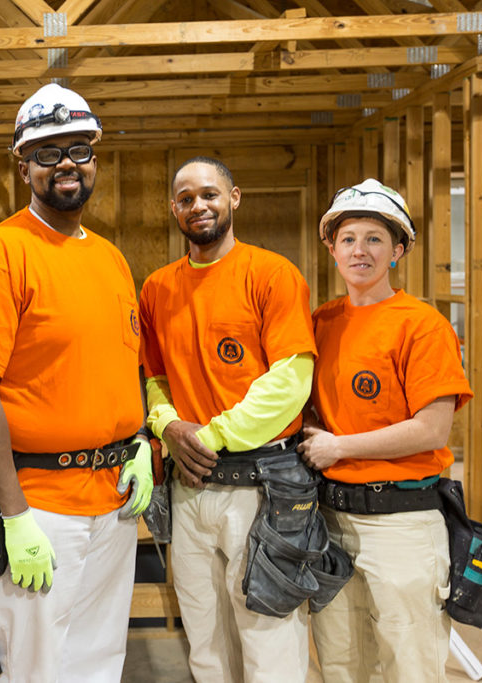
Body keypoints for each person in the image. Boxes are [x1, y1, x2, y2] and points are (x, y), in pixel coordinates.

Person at [0, 83, 153, 682]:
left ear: (95, 157)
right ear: (23, 167)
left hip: (112, 499)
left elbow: (119, 366)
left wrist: (137, 440)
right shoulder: (1, 254)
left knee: (96, 662)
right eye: (46, 152)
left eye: (77, 150)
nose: (65, 164)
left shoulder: (111, 258)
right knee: (35, 668)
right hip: (40, 503)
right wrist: (13, 515)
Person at [139, 156, 317, 681]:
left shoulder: (271, 274)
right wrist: (168, 426)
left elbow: (290, 382)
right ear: (174, 208)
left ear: (234, 198)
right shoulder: (157, 288)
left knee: (268, 641)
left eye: (210, 194)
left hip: (259, 489)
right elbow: (155, 377)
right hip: (190, 489)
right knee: (205, 642)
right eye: (186, 197)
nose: (199, 205)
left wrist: (207, 435)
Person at [299, 179, 472, 682]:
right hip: (331, 519)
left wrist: (338, 446)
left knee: (409, 664)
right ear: (332, 248)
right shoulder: (321, 322)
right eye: (348, 238)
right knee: (341, 664)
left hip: (402, 523)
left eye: (375, 238)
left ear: (397, 250)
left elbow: (432, 429)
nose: (360, 250)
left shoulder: (422, 325)